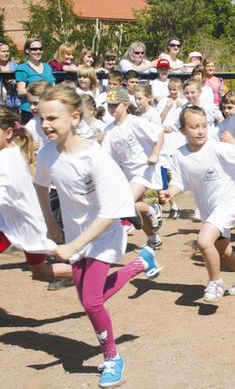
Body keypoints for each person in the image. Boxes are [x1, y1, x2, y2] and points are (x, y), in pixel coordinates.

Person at [34, 84, 161, 388]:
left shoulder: (95, 158)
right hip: (75, 234)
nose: (45, 125)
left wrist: (73, 245)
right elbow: (40, 185)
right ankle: (139, 263)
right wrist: (51, 224)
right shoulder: (48, 153)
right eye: (42, 118)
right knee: (90, 295)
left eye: (53, 118)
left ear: (75, 117)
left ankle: (112, 358)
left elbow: (112, 211)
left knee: (91, 302)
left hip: (104, 233)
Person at [159, 105, 235, 302]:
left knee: (203, 241)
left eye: (203, 126)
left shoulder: (218, 148)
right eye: (194, 127)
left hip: (230, 201)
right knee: (223, 251)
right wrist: (170, 193)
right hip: (209, 207)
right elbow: (178, 182)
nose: (200, 131)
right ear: (182, 130)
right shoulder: (179, 155)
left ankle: (215, 282)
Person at [0, 106, 72, 284]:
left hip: (22, 224)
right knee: (41, 274)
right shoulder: (8, 152)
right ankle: (90, 274)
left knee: (43, 272)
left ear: (8, 133)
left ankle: (92, 273)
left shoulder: (8, 162)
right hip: (15, 224)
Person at [102, 87, 165, 251]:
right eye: (109, 105)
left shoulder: (135, 122)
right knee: (136, 208)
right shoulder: (108, 131)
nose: (111, 109)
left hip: (144, 170)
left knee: (126, 203)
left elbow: (159, 133)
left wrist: (155, 154)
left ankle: (153, 209)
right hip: (128, 175)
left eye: (115, 105)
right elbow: (106, 157)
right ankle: (153, 238)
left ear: (125, 105)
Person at [15, 38, 56, 124]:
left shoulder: (47, 67)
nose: (38, 51)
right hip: (30, 111)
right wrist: (39, 90)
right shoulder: (22, 68)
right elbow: (20, 91)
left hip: (47, 109)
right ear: (27, 50)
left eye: (40, 49)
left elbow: (53, 85)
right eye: (34, 49)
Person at [0, 42, 19, 111]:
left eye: (8, 51)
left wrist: (15, 82)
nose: (6, 53)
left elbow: (22, 82)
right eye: (3, 51)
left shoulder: (15, 66)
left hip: (14, 104)